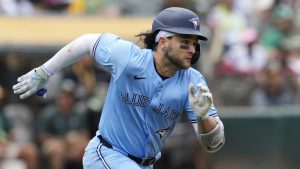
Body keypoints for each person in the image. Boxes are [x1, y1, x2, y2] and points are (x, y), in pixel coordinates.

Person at [12, 7, 225, 169]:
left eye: (195, 44)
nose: (192, 49)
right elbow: (87, 41)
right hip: (106, 154)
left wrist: (203, 116)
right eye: (185, 42)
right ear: (162, 42)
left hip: (145, 164)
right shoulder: (129, 58)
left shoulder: (193, 81)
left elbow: (213, 145)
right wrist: (44, 72)